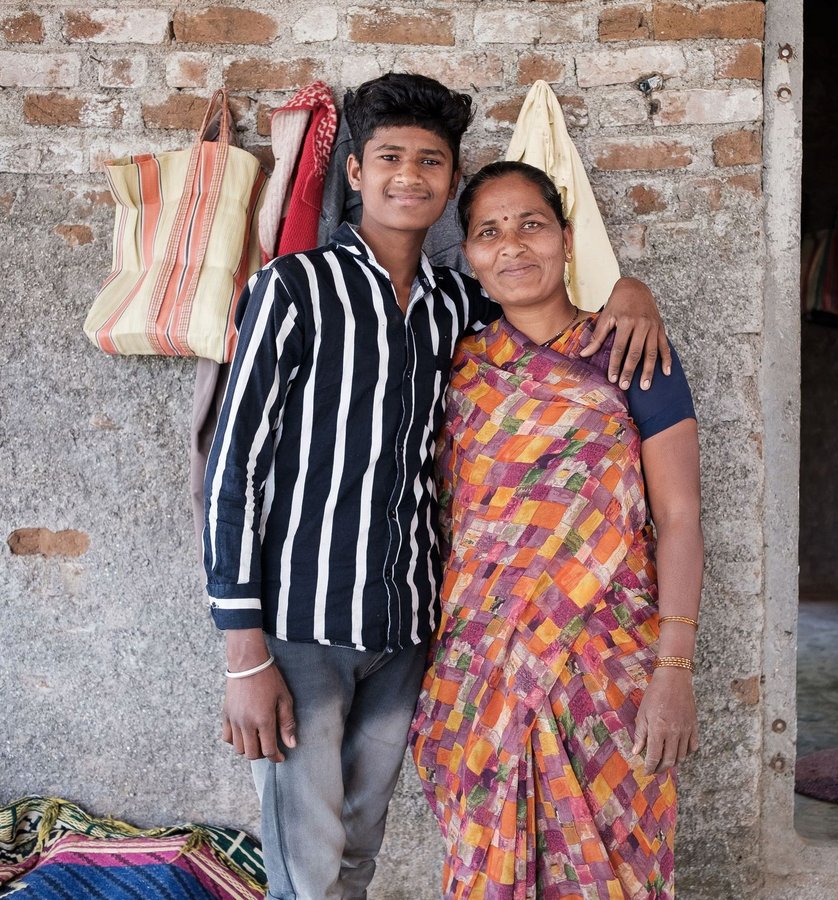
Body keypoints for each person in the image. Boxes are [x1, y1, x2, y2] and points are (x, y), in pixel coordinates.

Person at [203, 75, 672, 900]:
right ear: (356, 171)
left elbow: (548, 313)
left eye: (430, 161)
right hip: (302, 629)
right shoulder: (294, 289)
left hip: (408, 631)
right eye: (389, 157)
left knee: (357, 856)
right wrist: (244, 653)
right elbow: (232, 466)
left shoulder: (459, 305)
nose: (409, 176)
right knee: (305, 871)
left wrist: (633, 291)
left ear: (451, 181)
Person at [410, 161, 704, 899]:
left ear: (567, 239)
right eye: (489, 232)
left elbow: (679, 518)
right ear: (469, 256)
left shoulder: (632, 356)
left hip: (607, 669)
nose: (512, 245)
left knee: (617, 868)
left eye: (531, 225)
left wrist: (675, 670)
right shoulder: (457, 368)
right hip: (481, 673)